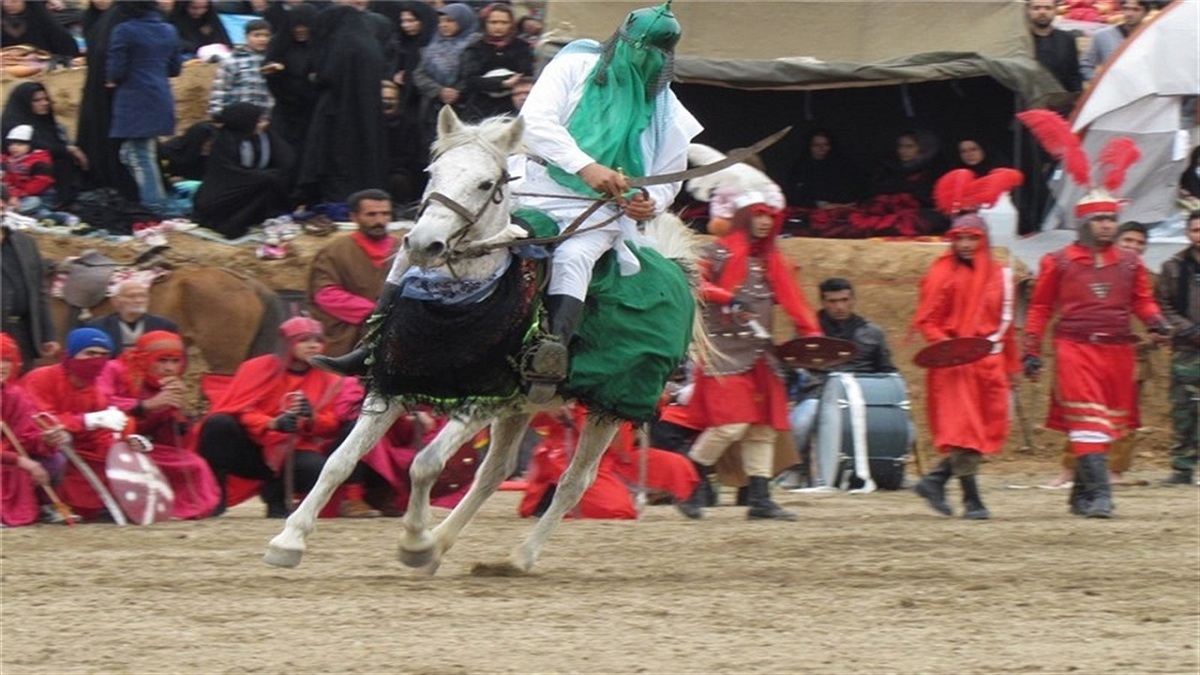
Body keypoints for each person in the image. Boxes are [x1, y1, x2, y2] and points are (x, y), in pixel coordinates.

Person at [312, 2, 703, 387]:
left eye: (651, 55)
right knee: (432, 232)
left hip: (596, 211)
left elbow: (667, 180)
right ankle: (373, 343)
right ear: (620, 40)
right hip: (530, 187)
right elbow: (534, 123)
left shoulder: (670, 114)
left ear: (665, 58)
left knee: (574, 257)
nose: (639, 60)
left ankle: (551, 350)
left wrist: (647, 203)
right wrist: (585, 166)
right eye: (635, 48)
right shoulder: (573, 66)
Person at [676, 189, 821, 521]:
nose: (764, 222)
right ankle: (690, 479)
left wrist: (812, 337)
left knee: (762, 428)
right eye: (758, 214)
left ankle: (760, 498)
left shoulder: (773, 261)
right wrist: (727, 297)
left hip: (760, 354)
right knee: (732, 425)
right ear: (744, 217)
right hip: (723, 351)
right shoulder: (716, 252)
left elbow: (796, 303)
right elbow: (693, 285)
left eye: (770, 216)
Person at [1024, 191, 1170, 518]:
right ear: (1084, 223)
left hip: (1118, 351)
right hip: (1074, 347)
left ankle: (1080, 494)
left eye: (1111, 219)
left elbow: (1141, 301)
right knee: (1087, 419)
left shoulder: (1131, 263)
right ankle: (1103, 495)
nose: (1107, 226)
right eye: (1099, 219)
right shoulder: (1058, 261)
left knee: (1106, 426)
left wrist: (1155, 320)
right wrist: (1031, 348)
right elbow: (1041, 307)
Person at [910, 185, 1021, 521]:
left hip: (988, 362)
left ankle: (935, 480)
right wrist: (949, 345)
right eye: (960, 238)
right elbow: (928, 320)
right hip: (953, 365)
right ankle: (972, 499)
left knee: (982, 431)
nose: (966, 245)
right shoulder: (941, 274)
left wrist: (1009, 364)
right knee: (965, 431)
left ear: (983, 239)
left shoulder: (1001, 277)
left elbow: (1005, 323)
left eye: (972, 238)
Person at [197, 317, 348, 518]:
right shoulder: (255, 368)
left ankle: (275, 496)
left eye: (317, 340)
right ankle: (216, 495)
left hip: (293, 448)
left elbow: (331, 425)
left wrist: (311, 418)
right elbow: (240, 410)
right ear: (287, 343)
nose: (312, 345)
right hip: (251, 446)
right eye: (304, 340)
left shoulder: (330, 379)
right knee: (218, 424)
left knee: (317, 469)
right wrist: (272, 423)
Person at [1045, 221, 1156, 488]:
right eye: (1128, 241)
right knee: (1084, 413)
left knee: (1122, 417)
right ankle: (1073, 470)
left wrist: (1156, 326)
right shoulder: (1075, 264)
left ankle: (1114, 472)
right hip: (1082, 349)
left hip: (1127, 353)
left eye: (1140, 243)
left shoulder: (1138, 271)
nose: (1134, 247)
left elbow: (1147, 306)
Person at [781, 277, 897, 490]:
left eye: (844, 300)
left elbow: (888, 371)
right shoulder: (808, 331)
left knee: (902, 425)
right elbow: (789, 367)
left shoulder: (872, 333)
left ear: (853, 300)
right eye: (832, 301)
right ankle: (796, 469)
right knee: (800, 422)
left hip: (863, 398)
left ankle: (889, 470)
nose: (839, 306)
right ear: (823, 302)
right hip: (817, 394)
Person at [97, 330, 222, 519]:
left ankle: (175, 510)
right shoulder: (114, 369)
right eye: (162, 361)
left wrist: (179, 414)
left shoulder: (165, 386)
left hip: (144, 448)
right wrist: (146, 405)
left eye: (175, 361)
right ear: (145, 359)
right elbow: (100, 402)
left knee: (194, 464)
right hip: (106, 444)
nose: (169, 368)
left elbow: (172, 441)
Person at [21, 328, 131, 521]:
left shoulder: (96, 391)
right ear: (71, 355)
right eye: (90, 353)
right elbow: (39, 420)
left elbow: (99, 436)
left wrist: (125, 441)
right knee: (60, 444)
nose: (96, 360)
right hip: (37, 447)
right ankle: (48, 504)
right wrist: (88, 420)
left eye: (103, 355)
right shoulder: (41, 378)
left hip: (81, 451)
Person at [295, 1, 388, 203]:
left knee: (336, 159)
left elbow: (328, 75)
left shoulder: (341, 44)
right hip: (366, 112)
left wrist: (314, 76)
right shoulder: (367, 42)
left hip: (338, 112)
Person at [106, 0, 183, 216]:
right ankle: (156, 199)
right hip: (161, 94)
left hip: (134, 97)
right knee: (133, 152)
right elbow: (175, 68)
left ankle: (155, 205)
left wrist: (111, 79)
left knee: (139, 154)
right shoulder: (169, 30)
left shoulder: (124, 30)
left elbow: (116, 70)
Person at [307, 189, 402, 357]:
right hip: (350, 339)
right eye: (371, 215)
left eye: (385, 214)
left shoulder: (405, 250)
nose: (379, 221)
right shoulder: (334, 251)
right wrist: (373, 312)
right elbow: (325, 294)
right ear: (354, 217)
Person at [192, 103, 296, 239]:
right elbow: (232, 174)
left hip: (245, 187)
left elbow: (287, 160)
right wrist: (263, 176)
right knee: (267, 179)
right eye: (258, 121)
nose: (263, 124)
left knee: (271, 180)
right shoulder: (224, 141)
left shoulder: (258, 137)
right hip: (219, 199)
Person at [0, 333, 71, 526]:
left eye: (7, 360)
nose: (2, 366)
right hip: (8, 459)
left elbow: (26, 435)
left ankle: (44, 506)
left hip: (10, 457)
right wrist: (21, 461)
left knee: (55, 459)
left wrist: (46, 440)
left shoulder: (14, 395)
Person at [1157, 211, 1200, 485]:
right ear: (1187, 233)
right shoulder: (1173, 267)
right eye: (1196, 230)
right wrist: (1187, 328)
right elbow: (1163, 305)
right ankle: (1183, 467)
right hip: (1186, 348)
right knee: (1184, 408)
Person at [1, 82, 88, 209]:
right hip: (21, 187)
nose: (44, 103)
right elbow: (39, 147)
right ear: (24, 103)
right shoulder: (13, 126)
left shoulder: (46, 124)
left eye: (46, 99)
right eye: (37, 100)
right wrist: (69, 149)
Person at [1, 202, 60, 372]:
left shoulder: (26, 243)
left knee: (20, 388)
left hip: (22, 332)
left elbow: (40, 291)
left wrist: (48, 334)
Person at [411, 2, 479, 147]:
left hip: (464, 108)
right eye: (441, 21)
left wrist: (457, 91)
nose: (443, 25)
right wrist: (439, 91)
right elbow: (419, 74)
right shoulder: (433, 46)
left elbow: (473, 74)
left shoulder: (475, 44)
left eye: (450, 20)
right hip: (433, 109)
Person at [458, 2, 534, 123]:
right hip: (479, 109)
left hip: (511, 110)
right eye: (493, 22)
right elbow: (470, 80)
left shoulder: (521, 47)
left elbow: (525, 74)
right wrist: (502, 84)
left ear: (511, 24)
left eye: (504, 22)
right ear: (485, 23)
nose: (498, 27)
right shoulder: (475, 48)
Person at [262, 3, 318, 158]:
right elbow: (269, 70)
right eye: (296, 26)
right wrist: (274, 73)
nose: (300, 30)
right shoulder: (280, 44)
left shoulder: (321, 46)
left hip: (312, 111)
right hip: (285, 109)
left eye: (305, 26)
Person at [86, 280, 179, 356]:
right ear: (115, 301)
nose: (138, 300)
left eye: (143, 296)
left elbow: (177, 357)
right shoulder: (98, 327)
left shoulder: (164, 326)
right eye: (131, 296)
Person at [206, 18, 275, 119]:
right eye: (257, 35)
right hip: (236, 116)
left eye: (266, 36)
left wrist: (268, 117)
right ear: (246, 37)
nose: (262, 39)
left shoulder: (272, 61)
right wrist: (217, 114)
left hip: (263, 117)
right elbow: (220, 89)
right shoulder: (233, 61)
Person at [784, 129, 865, 209]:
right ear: (809, 146)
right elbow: (794, 194)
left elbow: (856, 186)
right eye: (816, 145)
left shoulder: (843, 164)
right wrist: (820, 204)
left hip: (847, 208)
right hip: (814, 211)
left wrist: (842, 204)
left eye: (826, 144)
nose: (821, 148)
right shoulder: (801, 168)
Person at [1080, 0, 1148, 82]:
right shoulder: (1103, 36)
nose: (1129, 14)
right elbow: (1086, 64)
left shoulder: (1152, 37)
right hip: (1112, 89)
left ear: (1146, 12)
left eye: (1136, 9)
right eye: (1126, 8)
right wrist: (1097, 82)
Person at [380, 80, 424, 205]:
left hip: (400, 171)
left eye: (391, 99)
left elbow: (410, 155)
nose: (387, 102)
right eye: (383, 99)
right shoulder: (369, 124)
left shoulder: (409, 124)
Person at [1027, 0, 1083, 95]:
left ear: (1055, 11)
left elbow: (1074, 74)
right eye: (1036, 8)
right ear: (1028, 11)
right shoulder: (1020, 39)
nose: (1042, 12)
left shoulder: (1067, 39)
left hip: (1060, 99)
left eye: (1048, 8)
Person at [0, 0, 80, 59]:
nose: (7, 4)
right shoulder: (3, 20)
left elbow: (64, 45)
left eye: (13, 1)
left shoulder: (40, 18)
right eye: (4, 1)